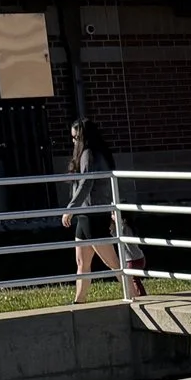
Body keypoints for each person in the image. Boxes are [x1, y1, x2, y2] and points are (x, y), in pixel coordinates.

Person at [60, 120, 145, 302]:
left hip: (93, 215)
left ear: (84, 137)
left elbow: (86, 183)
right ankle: (79, 301)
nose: (74, 142)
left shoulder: (89, 154)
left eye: (76, 138)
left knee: (112, 262)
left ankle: (134, 296)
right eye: (72, 138)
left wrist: (71, 208)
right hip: (85, 215)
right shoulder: (88, 154)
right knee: (82, 263)